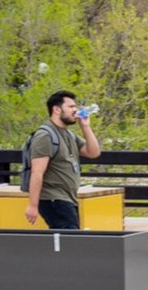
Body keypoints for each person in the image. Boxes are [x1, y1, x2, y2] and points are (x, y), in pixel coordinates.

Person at [23, 90, 101, 229]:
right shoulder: (45, 136)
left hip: (68, 199)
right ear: (57, 110)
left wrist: (85, 126)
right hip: (54, 199)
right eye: (70, 106)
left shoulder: (69, 135)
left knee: (65, 244)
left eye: (75, 106)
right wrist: (32, 206)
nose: (75, 110)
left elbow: (93, 152)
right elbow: (37, 173)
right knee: (71, 243)